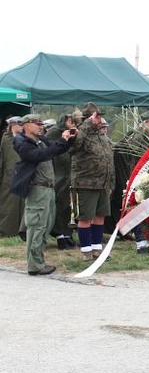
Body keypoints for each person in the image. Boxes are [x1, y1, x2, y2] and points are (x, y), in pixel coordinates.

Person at [10, 114, 76, 275]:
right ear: (26, 125)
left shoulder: (41, 141)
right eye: (36, 123)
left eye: (41, 123)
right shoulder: (22, 142)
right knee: (36, 226)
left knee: (45, 225)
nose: (40, 126)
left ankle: (39, 260)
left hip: (48, 189)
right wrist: (61, 141)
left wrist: (69, 139)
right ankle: (34, 265)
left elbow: (57, 149)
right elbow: (39, 155)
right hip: (37, 189)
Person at [69, 103, 115, 260]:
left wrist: (111, 183)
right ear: (88, 118)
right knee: (85, 217)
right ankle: (86, 251)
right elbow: (73, 147)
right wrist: (87, 124)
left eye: (100, 116)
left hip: (102, 183)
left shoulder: (101, 136)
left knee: (100, 216)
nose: (100, 119)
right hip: (86, 183)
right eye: (96, 116)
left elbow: (109, 160)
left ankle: (97, 249)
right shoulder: (80, 133)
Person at [112, 111, 149, 253]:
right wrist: (142, 131)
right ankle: (141, 242)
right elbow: (132, 147)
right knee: (138, 209)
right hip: (139, 177)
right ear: (142, 124)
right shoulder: (136, 135)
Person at [45, 113, 79, 250]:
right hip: (56, 173)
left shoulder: (71, 132)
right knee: (57, 206)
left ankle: (67, 234)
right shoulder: (53, 133)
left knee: (67, 206)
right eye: (72, 122)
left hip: (68, 173)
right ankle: (59, 235)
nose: (74, 124)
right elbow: (50, 150)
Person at [0, 116, 25, 237]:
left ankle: (19, 230)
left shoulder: (21, 138)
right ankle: (7, 230)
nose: (21, 127)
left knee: (20, 204)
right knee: (9, 205)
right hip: (9, 176)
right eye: (19, 124)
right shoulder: (6, 139)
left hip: (20, 176)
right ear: (12, 125)